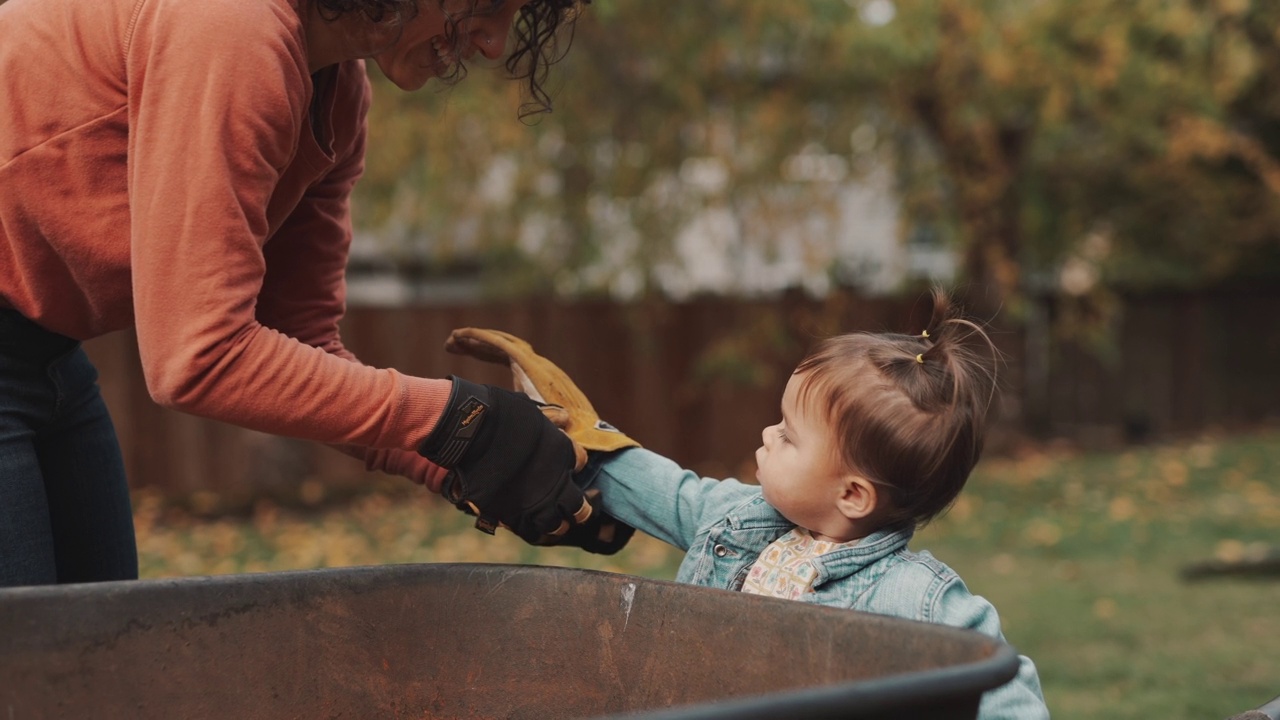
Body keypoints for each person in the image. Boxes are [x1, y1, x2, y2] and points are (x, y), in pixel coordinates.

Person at [0, 0, 592, 588]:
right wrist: (457, 420)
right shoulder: (231, 27)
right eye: (489, 6)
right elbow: (199, 357)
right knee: (30, 669)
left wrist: (465, 459)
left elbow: (299, 338)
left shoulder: (336, 96)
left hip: (45, 358)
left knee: (92, 656)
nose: (494, 43)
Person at [573, 290, 1051, 719]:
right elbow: (672, 494)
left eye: (788, 435)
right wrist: (582, 451)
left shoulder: (914, 596)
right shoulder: (742, 518)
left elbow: (998, 676)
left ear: (851, 495)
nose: (767, 434)